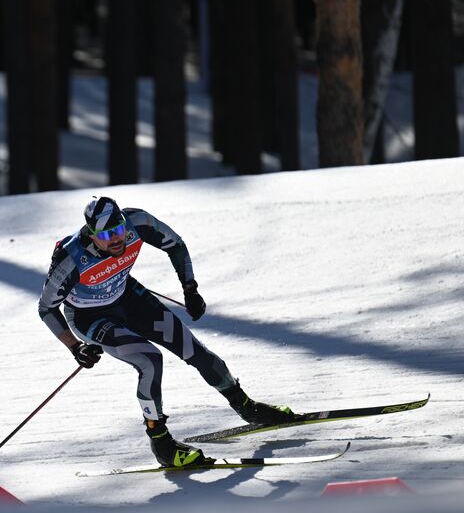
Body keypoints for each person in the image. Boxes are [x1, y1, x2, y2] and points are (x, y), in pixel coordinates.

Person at [38, 195, 293, 468]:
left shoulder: (138, 222)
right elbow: (46, 309)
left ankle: (247, 407)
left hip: (129, 299)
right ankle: (161, 443)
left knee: (195, 351)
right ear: (91, 234)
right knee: (149, 359)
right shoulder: (72, 259)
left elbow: (176, 245)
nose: (117, 239)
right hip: (89, 318)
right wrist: (75, 347)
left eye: (120, 230)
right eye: (108, 234)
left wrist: (190, 289)